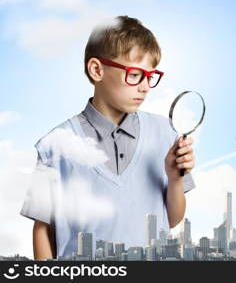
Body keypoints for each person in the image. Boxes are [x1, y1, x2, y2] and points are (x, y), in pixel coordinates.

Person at [20, 15, 196, 260]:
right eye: (135, 74)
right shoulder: (53, 146)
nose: (145, 86)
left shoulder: (165, 133)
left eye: (150, 76)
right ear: (97, 69)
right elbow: (43, 230)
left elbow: (172, 220)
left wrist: (174, 178)